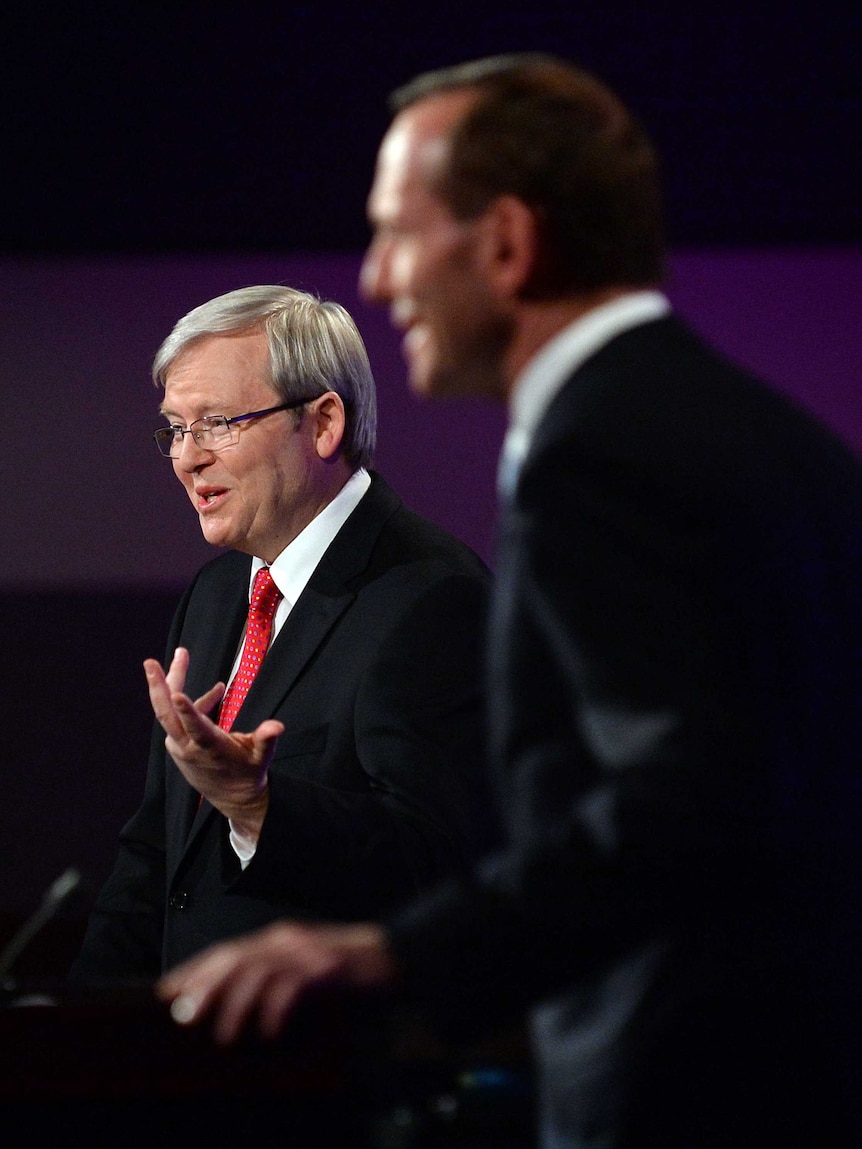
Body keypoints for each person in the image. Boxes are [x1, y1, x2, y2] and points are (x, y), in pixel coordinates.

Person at [155, 55, 862, 1147]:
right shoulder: (751, 429)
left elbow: (681, 803)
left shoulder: (606, 452)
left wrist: (390, 954)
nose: (379, 279)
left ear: (505, 244)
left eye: (396, 233)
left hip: (688, 1085)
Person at [68, 283, 494, 983]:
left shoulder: (433, 597)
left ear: (323, 423)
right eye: (175, 427)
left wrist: (258, 805)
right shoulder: (214, 595)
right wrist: (67, 1034)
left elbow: (439, 864)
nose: (186, 457)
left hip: (325, 1062)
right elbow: (156, 855)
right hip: (183, 1062)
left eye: (216, 422)